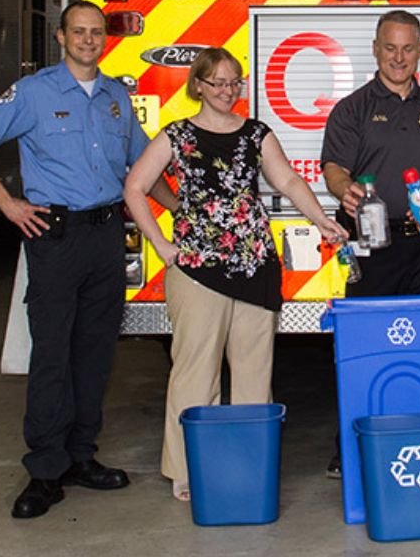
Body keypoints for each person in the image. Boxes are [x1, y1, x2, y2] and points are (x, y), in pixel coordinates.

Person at [0, 1, 162, 518]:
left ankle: (79, 458)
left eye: (96, 32)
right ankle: (45, 472)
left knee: (94, 356)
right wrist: (6, 203)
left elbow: (142, 168)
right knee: (51, 356)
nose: (89, 40)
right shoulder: (32, 93)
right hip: (54, 236)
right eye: (79, 32)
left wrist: (182, 210)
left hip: (106, 235)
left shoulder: (118, 96)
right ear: (61, 36)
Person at [123, 47, 347, 501]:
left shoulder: (256, 134)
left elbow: (287, 181)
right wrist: (161, 245)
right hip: (196, 271)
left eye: (234, 82)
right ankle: (188, 470)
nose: (227, 91)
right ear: (198, 86)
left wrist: (321, 219)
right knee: (193, 373)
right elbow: (134, 186)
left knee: (252, 375)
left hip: (253, 267)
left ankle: (248, 465)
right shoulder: (176, 135)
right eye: (218, 82)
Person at [319, 9, 420, 477]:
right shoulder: (352, 109)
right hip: (372, 243)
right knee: (365, 346)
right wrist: (341, 188)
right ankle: (352, 448)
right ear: (375, 49)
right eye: (390, 47)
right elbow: (334, 168)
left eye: (408, 48)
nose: (399, 57)